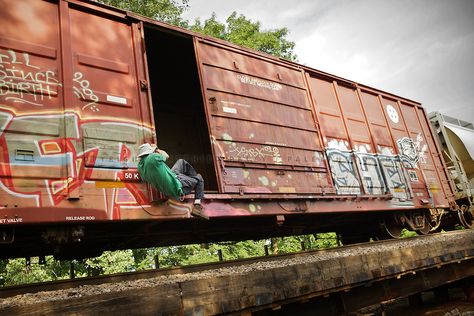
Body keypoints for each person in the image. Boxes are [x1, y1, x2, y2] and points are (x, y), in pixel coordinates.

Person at [137, 143, 207, 220]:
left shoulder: (140, 167)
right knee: (199, 178)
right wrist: (156, 149)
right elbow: (166, 155)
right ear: (149, 152)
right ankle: (197, 206)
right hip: (177, 186)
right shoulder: (153, 157)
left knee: (181, 162)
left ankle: (193, 181)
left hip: (171, 180)